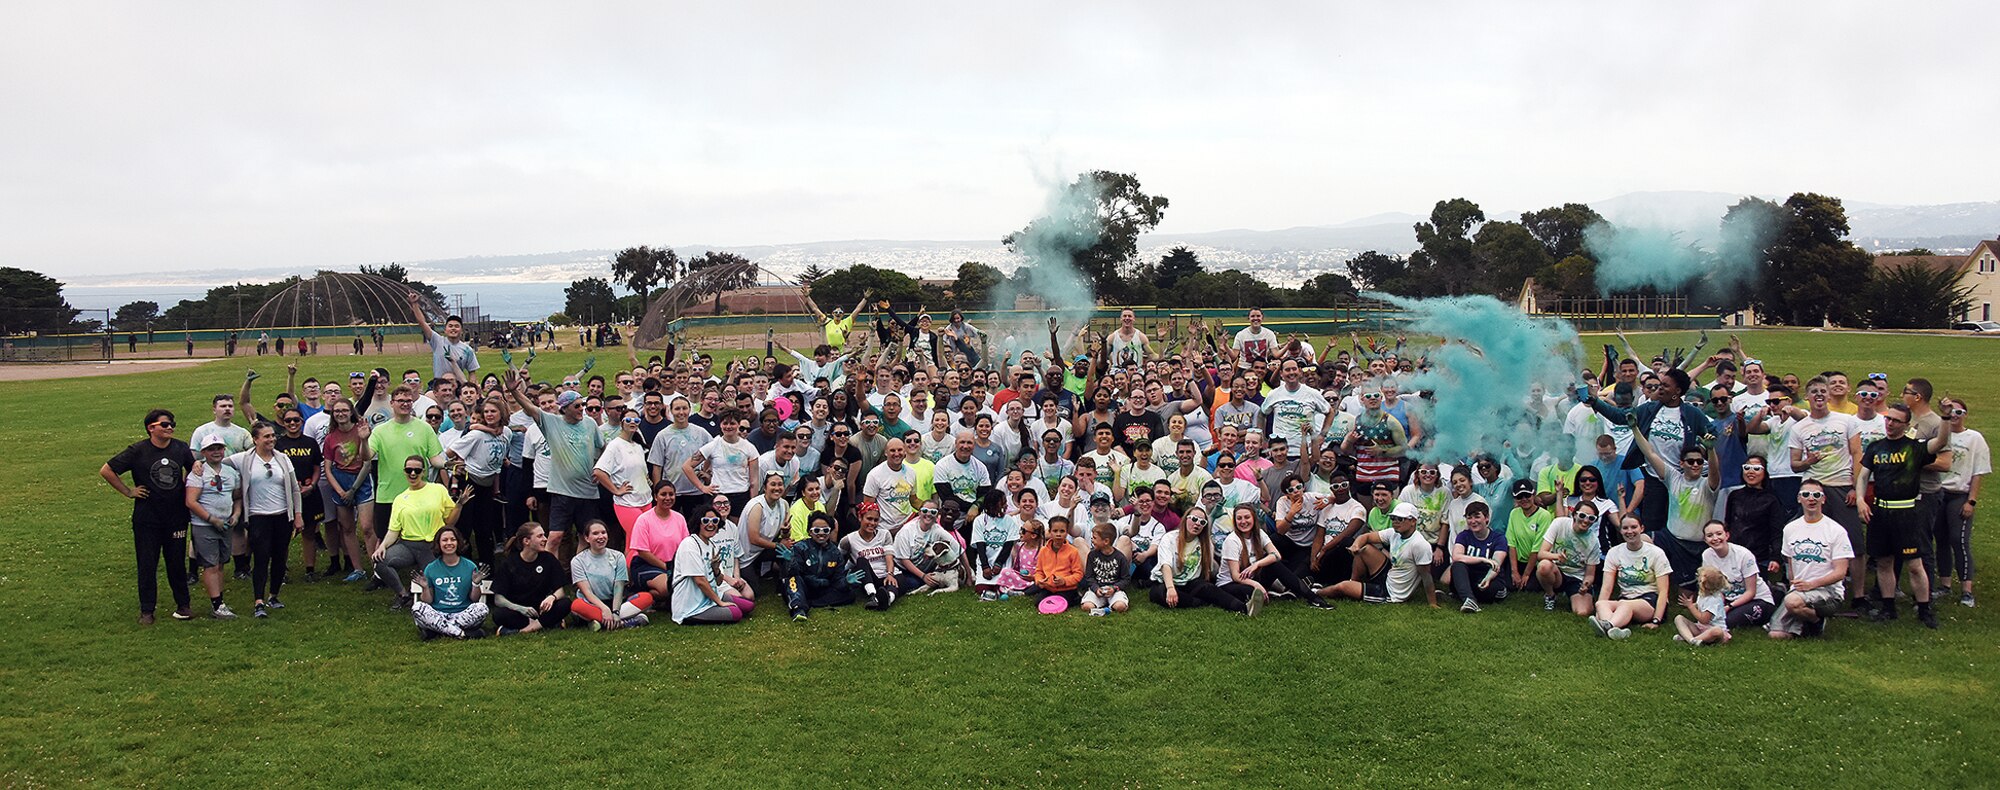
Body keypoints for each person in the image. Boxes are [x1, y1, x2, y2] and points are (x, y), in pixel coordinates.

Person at [1854, 401, 1955, 628]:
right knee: (1884, 561)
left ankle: (1924, 609)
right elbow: (1863, 476)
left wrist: (1946, 418)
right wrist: (1861, 500)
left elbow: (1940, 442)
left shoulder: (1915, 447)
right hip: (1881, 511)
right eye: (1888, 419)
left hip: (1908, 512)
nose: (1890, 424)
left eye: (1896, 421)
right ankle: (1888, 608)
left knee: (1914, 564)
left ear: (1906, 424)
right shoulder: (1876, 447)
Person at [102, 408, 196, 624]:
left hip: (176, 516)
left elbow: (193, 469)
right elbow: (107, 470)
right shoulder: (138, 451)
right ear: (151, 428)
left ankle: (183, 605)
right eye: (165, 424)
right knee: (147, 564)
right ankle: (147, 611)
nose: (170, 427)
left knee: (176, 563)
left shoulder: (180, 448)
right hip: (147, 519)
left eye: (172, 423)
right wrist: (128, 491)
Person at [508, 372, 605, 559]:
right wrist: (514, 392)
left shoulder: (590, 424)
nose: (581, 409)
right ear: (564, 409)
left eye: (582, 405)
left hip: (588, 492)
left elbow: (603, 448)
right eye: (577, 406)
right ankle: (547, 572)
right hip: (562, 493)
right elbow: (530, 408)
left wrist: (600, 468)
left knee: (586, 537)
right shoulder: (552, 423)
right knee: (554, 537)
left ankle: (578, 574)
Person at [227, 422, 304, 618]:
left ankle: (274, 595)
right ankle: (258, 601)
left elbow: (295, 489)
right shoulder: (244, 459)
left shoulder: (283, 459)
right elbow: (218, 462)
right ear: (255, 439)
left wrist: (297, 515)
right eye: (266, 436)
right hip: (258, 516)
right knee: (261, 558)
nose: (271, 439)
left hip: (282, 516)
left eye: (272, 436)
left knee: (280, 557)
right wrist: (197, 465)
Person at [373, 454, 469, 609]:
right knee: (380, 562)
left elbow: (449, 522)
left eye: (417, 470)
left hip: (431, 546)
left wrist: (459, 505)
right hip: (408, 545)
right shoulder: (400, 499)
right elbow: (393, 531)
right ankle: (403, 595)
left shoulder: (438, 490)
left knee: (434, 588)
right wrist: (382, 546)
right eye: (409, 470)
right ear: (404, 472)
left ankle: (424, 597)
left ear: (423, 472)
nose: (413, 474)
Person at [1769, 480, 1855, 639]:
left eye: (1816, 495)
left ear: (1823, 499)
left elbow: (1840, 572)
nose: (1811, 499)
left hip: (1828, 591)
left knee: (1792, 602)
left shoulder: (1836, 531)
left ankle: (1816, 620)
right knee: (1776, 635)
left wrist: (1811, 584)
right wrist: (1794, 585)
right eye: (1806, 495)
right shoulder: (1790, 529)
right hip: (1799, 591)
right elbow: (1790, 563)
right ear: (1798, 499)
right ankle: (1805, 623)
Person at [1323, 501, 1437, 607]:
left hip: (1392, 592)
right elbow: (1365, 536)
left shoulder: (1420, 545)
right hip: (1389, 576)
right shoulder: (1394, 533)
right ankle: (1354, 582)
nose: (1395, 521)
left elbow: (1426, 576)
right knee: (1363, 548)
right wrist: (1355, 546)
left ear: (1413, 521)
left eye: (1400, 519)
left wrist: (1432, 604)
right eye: (1393, 518)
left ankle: (1316, 592)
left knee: (1342, 587)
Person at [1932, 397, 1986, 607]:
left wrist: (1971, 501)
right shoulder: (1940, 435)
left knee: (1959, 539)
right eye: (1950, 412)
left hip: (1960, 494)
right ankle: (1944, 584)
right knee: (1941, 539)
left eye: (1959, 413)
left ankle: (1966, 589)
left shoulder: (1974, 438)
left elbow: (1978, 472)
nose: (1954, 416)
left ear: (1965, 415)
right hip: (1938, 492)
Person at [182, 437, 240, 619]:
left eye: (219, 448)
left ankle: (219, 600)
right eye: (211, 449)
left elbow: (237, 496)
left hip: (226, 523)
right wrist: (211, 519)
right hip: (204, 525)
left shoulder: (231, 472)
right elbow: (190, 501)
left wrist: (236, 514)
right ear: (204, 452)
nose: (216, 452)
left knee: (221, 563)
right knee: (211, 564)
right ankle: (217, 604)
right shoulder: (198, 473)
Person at [1591, 514, 1672, 640]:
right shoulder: (1614, 552)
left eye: (1634, 527)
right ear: (1621, 530)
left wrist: (1656, 620)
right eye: (1625, 528)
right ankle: (1615, 630)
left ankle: (1607, 625)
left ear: (1642, 528)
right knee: (1601, 604)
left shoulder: (1656, 553)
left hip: (1649, 601)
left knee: (1625, 605)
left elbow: (1663, 591)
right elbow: (1607, 587)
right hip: (1626, 598)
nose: (1629, 531)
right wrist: (1598, 612)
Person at [319, 397, 375, 580]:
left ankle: (377, 568)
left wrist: (353, 489)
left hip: (361, 479)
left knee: (367, 527)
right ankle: (358, 568)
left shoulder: (361, 431)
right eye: (337, 411)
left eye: (344, 410)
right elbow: (328, 468)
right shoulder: (330, 438)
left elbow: (367, 462)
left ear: (351, 411)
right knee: (347, 527)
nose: (341, 414)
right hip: (340, 480)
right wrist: (340, 490)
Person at [1150, 508, 1244, 612]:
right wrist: (1170, 588)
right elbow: (1165, 565)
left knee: (1209, 589)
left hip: (1190, 582)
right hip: (1165, 582)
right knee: (1160, 594)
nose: (1197, 524)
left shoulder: (1206, 544)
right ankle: (1199, 602)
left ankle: (1243, 608)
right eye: (1194, 519)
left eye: (1202, 522)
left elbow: (1209, 570)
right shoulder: (1169, 538)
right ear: (1185, 519)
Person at [569, 520, 653, 630]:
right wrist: (604, 609)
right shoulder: (578, 561)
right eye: (595, 533)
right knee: (576, 606)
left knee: (646, 598)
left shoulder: (618, 557)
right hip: (592, 603)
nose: (601, 536)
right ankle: (626, 623)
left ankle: (602, 623)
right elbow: (587, 592)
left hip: (616, 603)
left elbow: (619, 587)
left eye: (603, 533)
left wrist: (615, 612)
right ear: (586, 538)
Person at [489, 522, 572, 633]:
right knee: (499, 614)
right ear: (526, 541)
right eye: (540, 536)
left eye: (544, 535)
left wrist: (552, 597)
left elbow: (560, 591)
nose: (545, 539)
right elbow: (498, 599)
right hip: (518, 611)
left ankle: (527, 629)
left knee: (565, 604)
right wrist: (520, 608)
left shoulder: (548, 559)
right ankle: (548, 624)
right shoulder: (509, 563)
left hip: (541, 609)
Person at [410, 526, 490, 640]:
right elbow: (428, 601)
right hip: (438, 613)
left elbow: (474, 599)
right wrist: (425, 588)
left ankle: (439, 631)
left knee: (482, 608)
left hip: (462, 614)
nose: (449, 543)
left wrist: (476, 584)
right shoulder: (431, 568)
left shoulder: (470, 566)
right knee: (417, 607)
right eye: (444, 540)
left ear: (458, 542)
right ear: (438, 544)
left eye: (453, 539)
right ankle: (461, 634)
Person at [1696, 520, 1773, 630]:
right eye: (1709, 535)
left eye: (1719, 534)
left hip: (1756, 599)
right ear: (1705, 540)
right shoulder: (1707, 555)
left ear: (1727, 535)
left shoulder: (1743, 555)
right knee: (1710, 618)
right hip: (1728, 598)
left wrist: (1729, 607)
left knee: (1727, 621)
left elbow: (1751, 592)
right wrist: (1717, 605)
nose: (1715, 538)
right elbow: (1714, 587)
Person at [778, 512, 856, 620]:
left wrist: (846, 582)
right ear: (810, 532)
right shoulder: (800, 547)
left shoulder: (835, 553)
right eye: (816, 530)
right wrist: (790, 561)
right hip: (803, 587)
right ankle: (799, 609)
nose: (821, 533)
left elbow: (837, 581)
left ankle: (811, 602)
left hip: (824, 590)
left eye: (825, 530)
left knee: (850, 594)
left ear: (830, 532)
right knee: (792, 580)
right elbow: (793, 573)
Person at [1535, 503, 1603, 617]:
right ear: (1574, 515)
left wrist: (1586, 584)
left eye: (1591, 518)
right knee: (1543, 566)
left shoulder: (1594, 542)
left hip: (1577, 577)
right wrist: (1557, 557)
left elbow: (1590, 574)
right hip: (1557, 572)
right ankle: (1550, 595)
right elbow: (1541, 554)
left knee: (1582, 612)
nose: (1586, 520)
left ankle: (1579, 596)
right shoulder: (1559, 523)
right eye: (1582, 515)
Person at [1449, 500, 1509, 612]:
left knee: (1487, 590)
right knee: (1457, 566)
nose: (1473, 521)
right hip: (1470, 576)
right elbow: (1456, 556)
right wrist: (1482, 559)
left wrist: (1488, 578)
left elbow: (1496, 564)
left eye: (1477, 517)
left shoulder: (1498, 538)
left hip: (1489, 577)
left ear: (1486, 518)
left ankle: (1465, 595)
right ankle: (1470, 600)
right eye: (1469, 518)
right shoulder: (1464, 536)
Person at [408, 291, 479, 380]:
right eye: (450, 326)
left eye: (457, 326)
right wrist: (414, 303)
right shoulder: (437, 341)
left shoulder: (467, 350)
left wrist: (471, 388)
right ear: (445, 330)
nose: (453, 328)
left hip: (456, 385)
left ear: (461, 331)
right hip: (438, 384)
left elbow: (472, 372)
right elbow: (422, 322)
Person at [1030, 515, 1084, 608]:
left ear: (1067, 533)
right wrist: (1039, 581)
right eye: (1055, 531)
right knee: (1038, 603)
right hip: (1049, 587)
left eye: (1062, 531)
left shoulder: (1073, 551)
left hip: (1067, 588)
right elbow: (1039, 571)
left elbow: (1078, 574)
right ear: (1050, 532)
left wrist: (1064, 581)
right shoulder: (1043, 550)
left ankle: (1076, 597)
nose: (1058, 534)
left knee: (1061, 603)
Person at [1672, 566, 1733, 646]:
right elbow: (1700, 607)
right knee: (1679, 618)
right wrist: (1692, 605)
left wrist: (1691, 607)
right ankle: (1691, 639)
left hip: (1712, 631)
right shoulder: (1703, 595)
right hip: (1701, 628)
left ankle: (1692, 640)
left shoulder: (1714, 600)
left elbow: (1704, 619)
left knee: (1716, 631)